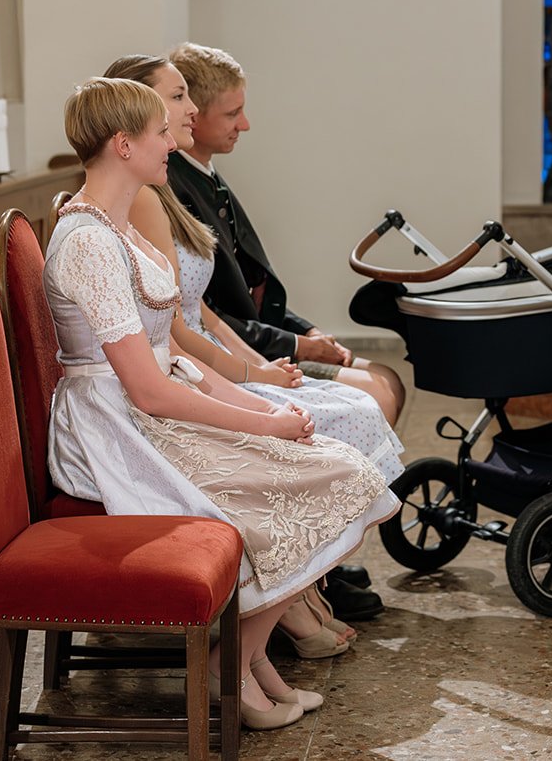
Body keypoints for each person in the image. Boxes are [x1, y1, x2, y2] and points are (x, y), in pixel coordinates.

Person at [43, 76, 398, 730]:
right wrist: (263, 423)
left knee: (339, 468)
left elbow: (174, 356)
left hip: (150, 404)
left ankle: (248, 657)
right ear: (123, 144)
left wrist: (263, 413)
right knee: (339, 477)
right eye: (159, 132)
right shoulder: (89, 242)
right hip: (117, 427)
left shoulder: (118, 227)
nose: (170, 144)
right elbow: (148, 387)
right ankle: (229, 662)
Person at [104, 53, 406, 650]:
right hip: (172, 378)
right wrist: (252, 380)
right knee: (341, 417)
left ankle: (308, 579)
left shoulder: (162, 190)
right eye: (178, 99)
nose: (191, 111)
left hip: (205, 359)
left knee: (356, 406)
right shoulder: (139, 200)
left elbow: (203, 311)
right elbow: (171, 336)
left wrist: (258, 370)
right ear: (135, 116)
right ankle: (293, 588)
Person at [165, 43, 406, 422]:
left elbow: (252, 283)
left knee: (386, 379)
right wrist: (297, 346)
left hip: (255, 337)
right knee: (378, 390)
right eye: (232, 113)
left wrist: (307, 332)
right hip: (234, 351)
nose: (244, 124)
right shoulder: (174, 189)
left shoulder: (205, 176)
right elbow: (205, 312)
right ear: (193, 115)